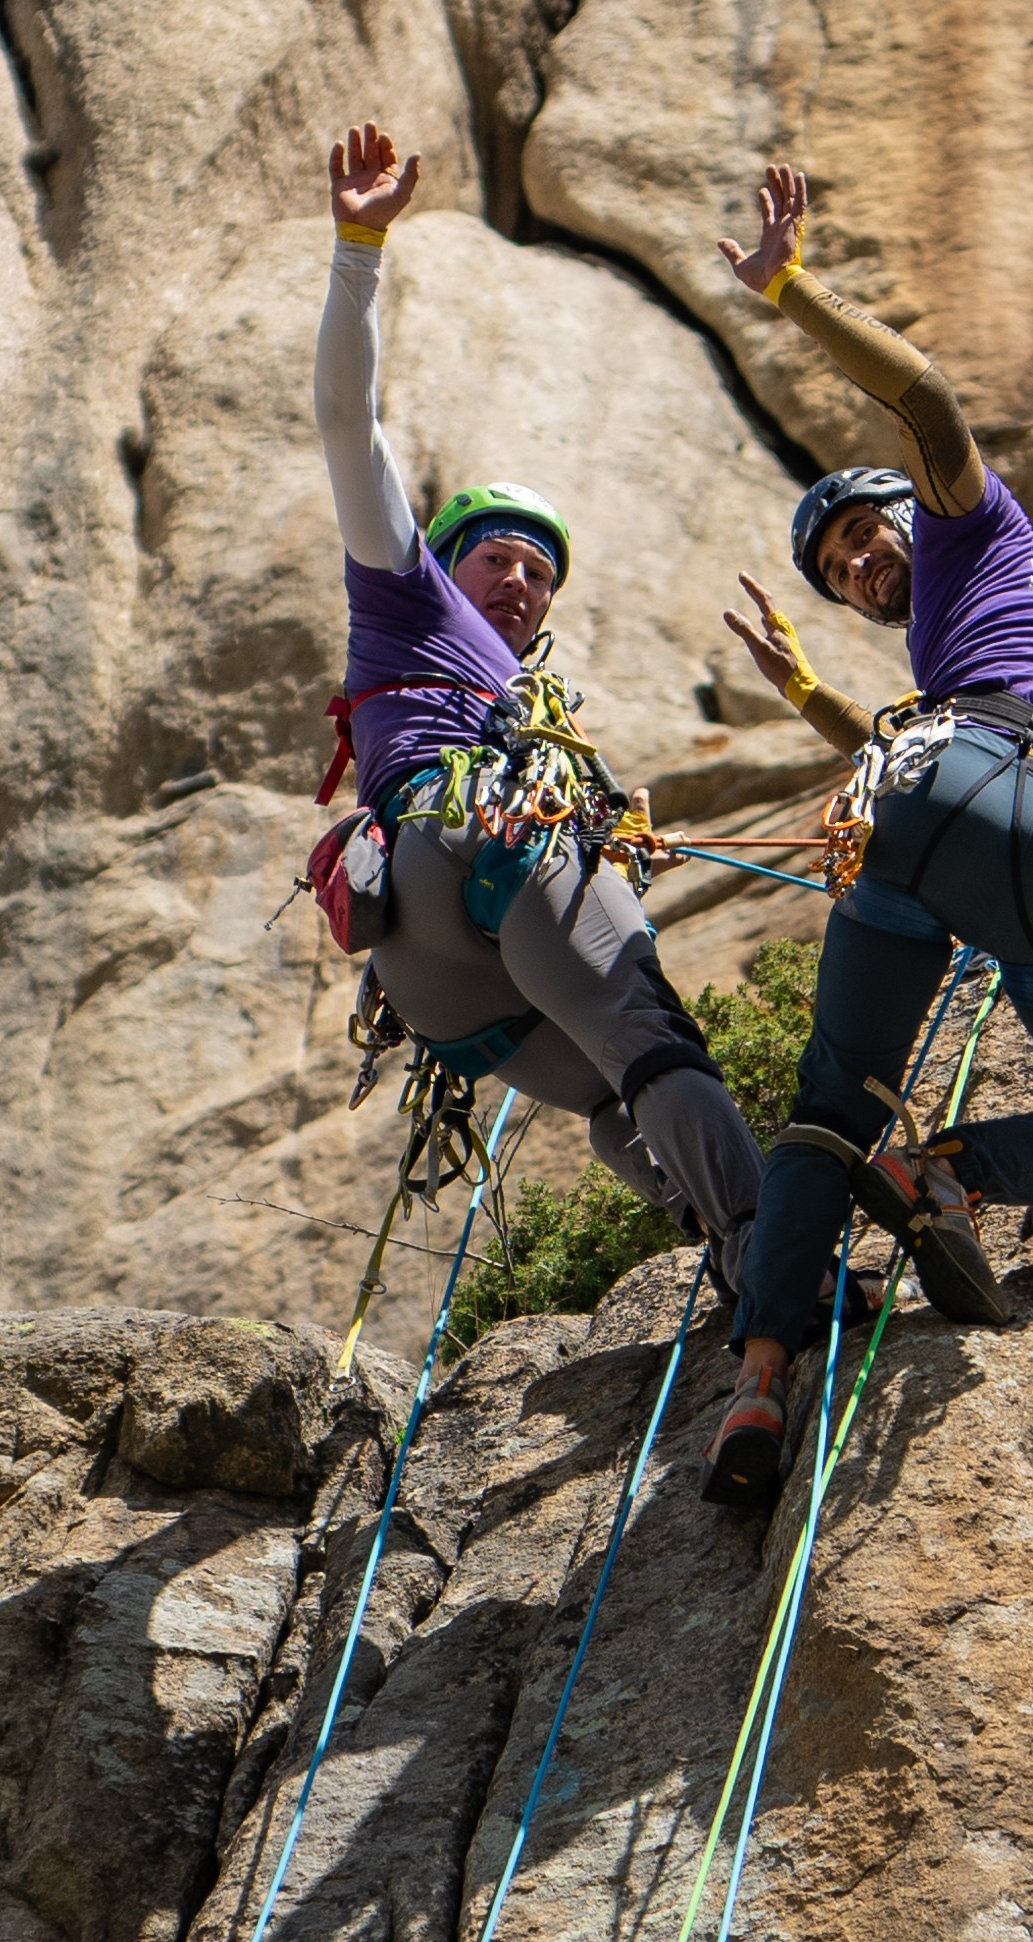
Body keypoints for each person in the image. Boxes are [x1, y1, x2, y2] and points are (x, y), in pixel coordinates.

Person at [698, 160, 1033, 1510]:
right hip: (1007, 815)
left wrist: (795, 290)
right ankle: (952, 1175)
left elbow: (926, 404)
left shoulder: (978, 534)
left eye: (865, 531)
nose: (858, 558)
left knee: (827, 1102)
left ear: (918, 507)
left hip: (932, 805)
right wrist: (804, 687)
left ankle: (760, 1373)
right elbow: (918, 764)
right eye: (837, 563)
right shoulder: (941, 645)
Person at [313, 123, 765, 1288]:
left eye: (538, 572)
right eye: (496, 559)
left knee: (621, 1094)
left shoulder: (527, 697)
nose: (516, 581)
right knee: (658, 1042)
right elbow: (347, 428)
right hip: (481, 849)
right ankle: (775, 1261)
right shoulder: (404, 597)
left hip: (431, 971)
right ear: (445, 560)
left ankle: (714, 1251)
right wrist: (360, 245)